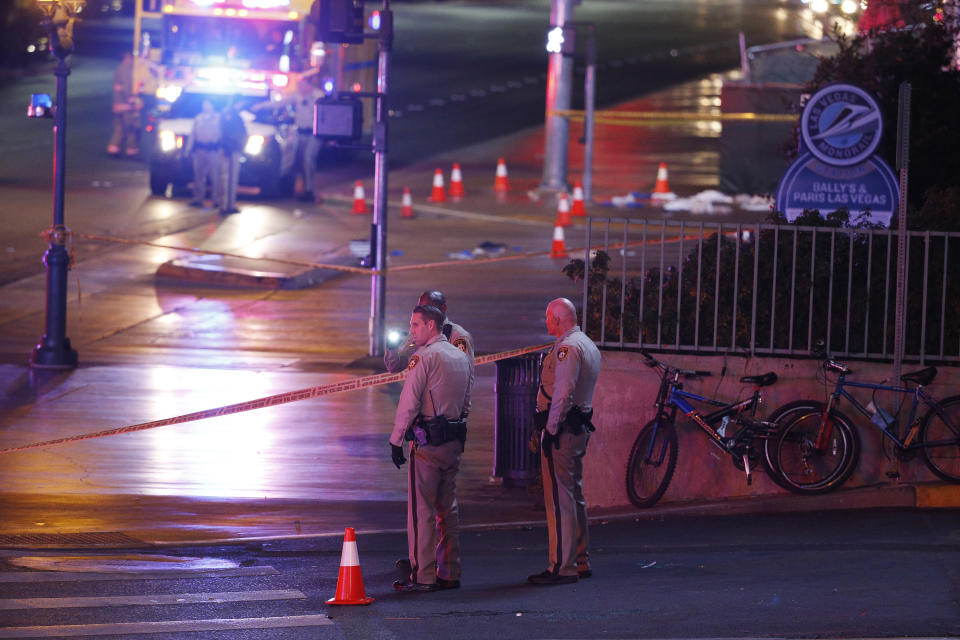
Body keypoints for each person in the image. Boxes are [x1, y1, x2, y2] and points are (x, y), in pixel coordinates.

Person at [389, 304, 471, 593]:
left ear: (432, 326)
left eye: (415, 325)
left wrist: (396, 440)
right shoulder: (460, 356)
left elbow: (409, 403)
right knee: (447, 509)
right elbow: (467, 400)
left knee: (421, 511)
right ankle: (450, 572)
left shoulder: (423, 358)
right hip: (453, 441)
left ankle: (422, 575)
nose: (411, 331)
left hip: (427, 444)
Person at [528, 298, 601, 586]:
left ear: (558, 320)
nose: (546, 322)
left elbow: (562, 392)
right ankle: (579, 560)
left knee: (560, 500)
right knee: (574, 496)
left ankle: (562, 565)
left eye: (548, 317)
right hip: (578, 428)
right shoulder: (587, 344)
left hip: (564, 430)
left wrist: (551, 428)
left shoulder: (568, 349)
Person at [385, 291, 475, 416]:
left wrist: (460, 414)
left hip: (445, 415)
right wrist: (392, 348)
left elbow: (465, 378)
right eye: (422, 308)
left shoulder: (457, 337)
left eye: (429, 308)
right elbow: (395, 367)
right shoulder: (418, 333)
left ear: (443, 308)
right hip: (421, 413)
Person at [256, 76, 323, 201]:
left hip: (314, 134)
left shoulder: (318, 96)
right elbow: (280, 103)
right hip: (301, 133)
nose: (299, 87)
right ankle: (305, 189)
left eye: (301, 84)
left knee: (308, 160)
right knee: (301, 161)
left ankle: (310, 190)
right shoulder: (297, 96)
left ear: (308, 85)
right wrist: (262, 106)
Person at [187, 99, 222, 208]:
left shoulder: (218, 118)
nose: (205, 106)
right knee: (198, 176)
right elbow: (192, 134)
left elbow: (221, 134)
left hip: (213, 150)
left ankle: (217, 200)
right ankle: (198, 199)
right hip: (200, 150)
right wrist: (188, 149)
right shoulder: (198, 118)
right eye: (204, 104)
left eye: (208, 104)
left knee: (215, 177)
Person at [106, 52, 141, 157]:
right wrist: (131, 99)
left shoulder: (119, 68)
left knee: (120, 128)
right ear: (128, 57)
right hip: (126, 106)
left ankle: (114, 148)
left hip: (118, 105)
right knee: (132, 128)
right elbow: (126, 87)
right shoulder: (126, 70)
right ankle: (132, 149)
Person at [218, 98, 248, 215]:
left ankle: (230, 205)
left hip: (234, 150)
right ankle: (225, 206)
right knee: (227, 179)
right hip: (229, 150)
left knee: (232, 179)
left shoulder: (234, 114)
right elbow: (226, 133)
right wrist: (227, 148)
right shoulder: (229, 114)